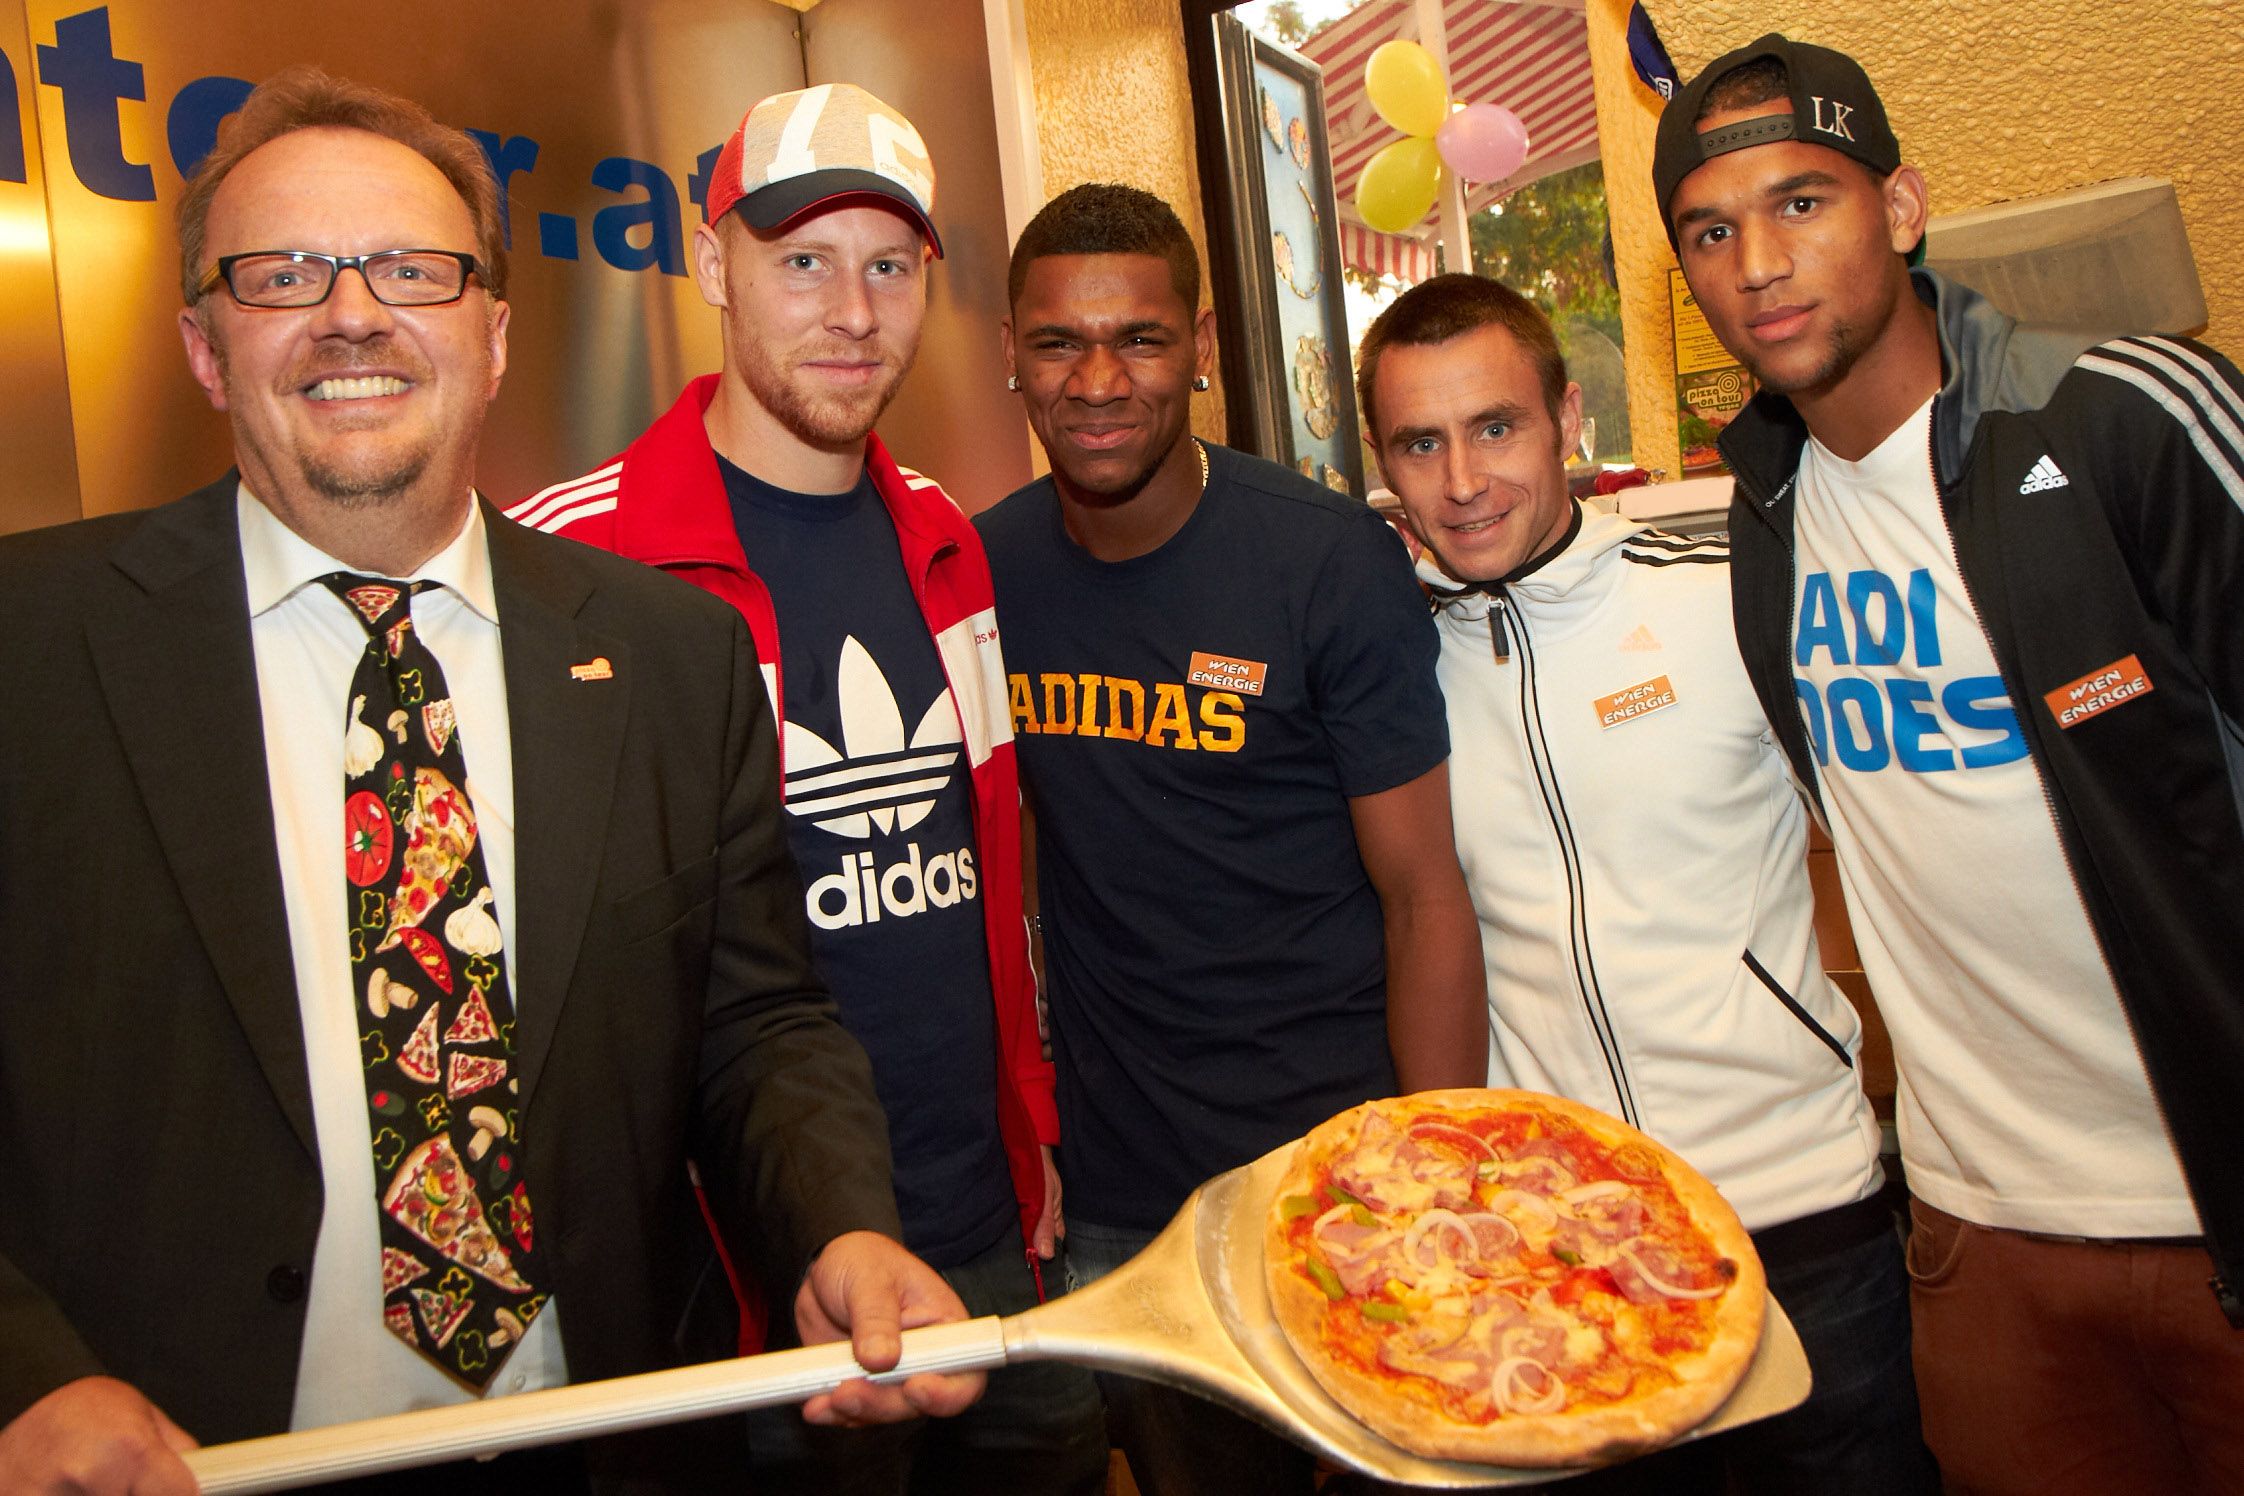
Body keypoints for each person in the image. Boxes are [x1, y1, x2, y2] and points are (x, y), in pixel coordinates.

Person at [0, 68, 983, 1496]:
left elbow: (757, 1021)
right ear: (205, 348)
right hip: (177, 1462)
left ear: (496, 334)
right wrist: (24, 1376)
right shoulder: (31, 650)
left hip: (610, 1448)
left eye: (413, 270)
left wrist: (838, 1226)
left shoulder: (668, 651)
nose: (352, 315)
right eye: (282, 275)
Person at [1658, 33, 2244, 1496]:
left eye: (1802, 202)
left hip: (2212, 1204)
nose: (1758, 264)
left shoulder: (2122, 416)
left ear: (1904, 207)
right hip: (1982, 1238)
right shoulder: (1767, 510)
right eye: (1711, 233)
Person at [509, 81, 1104, 1496]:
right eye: (803, 262)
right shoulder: (569, 568)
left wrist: (1035, 1138)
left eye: (889, 266)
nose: (852, 311)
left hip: (992, 1237)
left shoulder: (947, 538)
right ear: (712, 266)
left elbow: (993, 874)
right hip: (754, 1289)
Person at [1357, 270, 1937, 1494]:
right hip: (1558, 1246)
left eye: (1496, 426)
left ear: (1568, 419)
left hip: (1797, 1215)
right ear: (1383, 463)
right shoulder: (1385, 660)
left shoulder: (1728, 584)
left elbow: (1912, 830)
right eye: (1420, 442)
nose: (1462, 480)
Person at [974, 182, 1486, 1495]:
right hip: (1123, 1194)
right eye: (1058, 343)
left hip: (1334, 1177)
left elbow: (1424, 894)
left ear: (1200, 345)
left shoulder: (1326, 561)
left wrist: (1435, 1179)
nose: (1098, 382)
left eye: (1140, 339)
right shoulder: (984, 573)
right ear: (1010, 353)